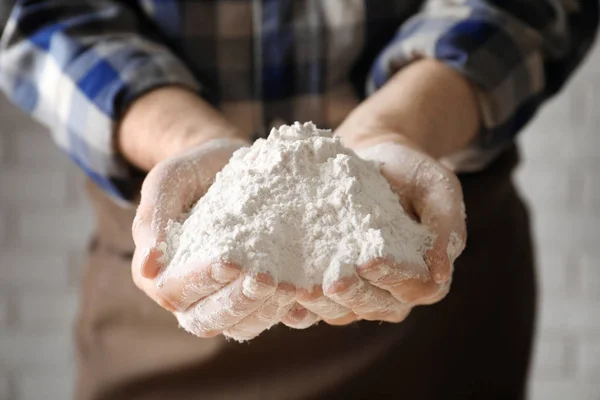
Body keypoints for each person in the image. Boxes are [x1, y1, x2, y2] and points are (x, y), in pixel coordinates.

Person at [0, 1, 597, 399]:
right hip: (171, 300)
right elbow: (50, 14)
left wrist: (405, 122)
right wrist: (186, 139)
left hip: (427, 293)